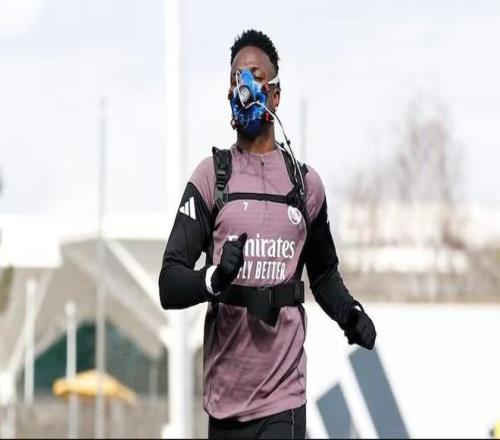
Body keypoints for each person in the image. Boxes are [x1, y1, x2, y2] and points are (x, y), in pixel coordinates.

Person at [159, 29, 376, 440]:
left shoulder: (306, 186)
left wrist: (350, 314)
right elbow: (169, 282)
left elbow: (324, 275)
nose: (244, 86)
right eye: (236, 78)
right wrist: (215, 278)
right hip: (225, 402)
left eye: (256, 76)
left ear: (275, 95)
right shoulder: (211, 178)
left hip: (284, 398)